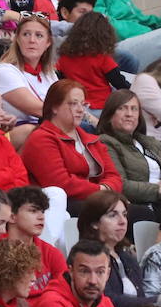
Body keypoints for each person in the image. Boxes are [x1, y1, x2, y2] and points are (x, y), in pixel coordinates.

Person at [20, 80, 123, 210]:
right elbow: (61, 184)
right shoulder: (41, 138)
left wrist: (104, 191)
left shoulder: (91, 140)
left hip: (94, 201)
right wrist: (100, 191)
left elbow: (114, 176)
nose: (81, 110)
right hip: (60, 205)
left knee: (138, 213)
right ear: (54, 107)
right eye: (74, 104)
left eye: (83, 104)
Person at [97, 89, 161, 215]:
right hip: (139, 205)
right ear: (109, 115)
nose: (129, 114)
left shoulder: (150, 142)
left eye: (134, 109)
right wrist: (160, 190)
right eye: (122, 108)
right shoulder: (105, 142)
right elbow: (121, 185)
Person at [75, 188, 146, 307]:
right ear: (94, 223)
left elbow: (141, 296)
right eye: (113, 215)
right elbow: (107, 300)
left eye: (124, 215)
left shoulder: (127, 257)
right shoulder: (87, 256)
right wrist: (156, 301)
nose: (122, 221)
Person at [0, 13, 57, 147]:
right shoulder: (5, 71)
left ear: (48, 43)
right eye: (26, 34)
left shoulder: (50, 74)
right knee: (35, 132)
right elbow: (37, 109)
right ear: (17, 39)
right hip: (12, 134)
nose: (32, 40)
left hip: (46, 130)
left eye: (39, 35)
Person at [57, 12, 127, 112]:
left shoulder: (63, 58)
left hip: (77, 108)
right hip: (103, 108)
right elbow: (120, 84)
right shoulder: (103, 58)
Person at [4, 185, 67, 297]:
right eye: (33, 211)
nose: (41, 217)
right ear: (12, 217)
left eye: (42, 211)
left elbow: (64, 293)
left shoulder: (51, 253)